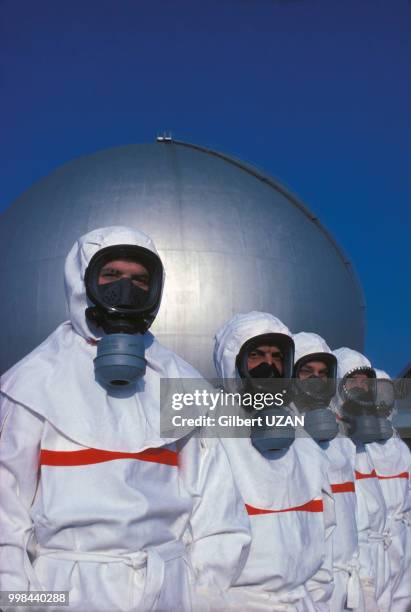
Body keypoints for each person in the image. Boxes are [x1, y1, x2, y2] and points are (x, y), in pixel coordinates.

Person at [0, 226, 251, 612]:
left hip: (167, 589)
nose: (125, 289)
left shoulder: (181, 383)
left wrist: (200, 598)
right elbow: (5, 516)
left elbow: (218, 512)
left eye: (139, 279)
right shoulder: (32, 384)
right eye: (111, 276)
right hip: (66, 591)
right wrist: (27, 603)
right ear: (83, 283)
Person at [213, 311, 335, 611]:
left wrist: (319, 598)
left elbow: (325, 528)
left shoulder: (304, 442)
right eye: (256, 355)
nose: (269, 366)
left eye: (278, 356)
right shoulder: (205, 432)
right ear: (234, 361)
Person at [292, 332, 364, 611]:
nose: (316, 380)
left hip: (345, 581)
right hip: (305, 585)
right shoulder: (279, 433)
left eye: (323, 373)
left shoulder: (344, 442)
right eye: (307, 371)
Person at [333, 348, 392, 612]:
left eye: (365, 381)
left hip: (372, 564)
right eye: (351, 381)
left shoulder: (360, 446)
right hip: (338, 577)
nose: (360, 388)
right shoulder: (327, 445)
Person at [363, 369, 411, 612]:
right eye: (376, 394)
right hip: (373, 545)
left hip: (401, 542)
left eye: (386, 394)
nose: (381, 402)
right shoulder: (358, 449)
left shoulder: (401, 450)